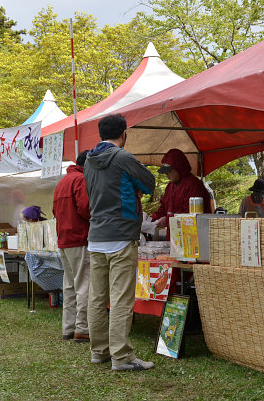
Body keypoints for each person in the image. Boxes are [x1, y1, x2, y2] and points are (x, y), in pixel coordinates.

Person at [84, 113, 156, 371]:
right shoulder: (124, 158)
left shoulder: (89, 161)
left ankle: (99, 351)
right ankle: (122, 357)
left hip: (96, 237)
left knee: (97, 298)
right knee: (121, 300)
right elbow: (149, 183)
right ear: (124, 133)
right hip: (122, 236)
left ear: (101, 134)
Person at [53, 150, 91, 343]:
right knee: (84, 285)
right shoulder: (80, 180)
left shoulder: (62, 182)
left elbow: (54, 211)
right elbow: (86, 209)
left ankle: (68, 327)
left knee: (69, 286)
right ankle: (82, 328)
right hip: (79, 237)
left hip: (64, 239)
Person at [150, 148, 211, 237]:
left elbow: (192, 215)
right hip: (175, 235)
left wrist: (167, 221)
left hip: (192, 236)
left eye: (169, 171)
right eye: (166, 173)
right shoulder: (170, 186)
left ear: (178, 168)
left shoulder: (193, 185)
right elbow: (163, 208)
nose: (167, 175)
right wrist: (150, 219)